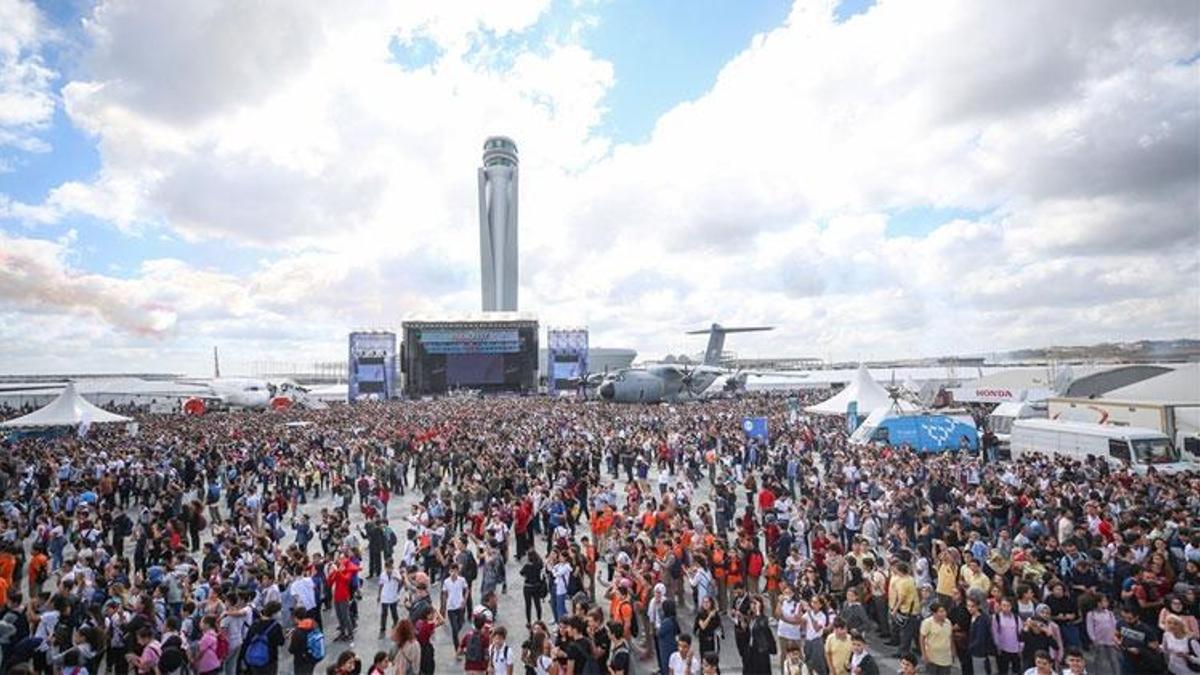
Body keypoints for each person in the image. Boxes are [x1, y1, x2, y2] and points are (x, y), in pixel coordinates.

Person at [239, 600, 285, 675]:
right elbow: (281, 642)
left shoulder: (255, 624)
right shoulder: (276, 626)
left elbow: (247, 641)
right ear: (274, 613)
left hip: (253, 658)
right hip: (270, 658)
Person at [919, 602, 953, 675]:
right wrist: (924, 654)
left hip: (945, 657)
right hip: (932, 657)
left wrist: (953, 652)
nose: (944, 613)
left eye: (944, 611)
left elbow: (950, 638)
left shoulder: (948, 622)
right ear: (934, 613)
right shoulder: (927, 623)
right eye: (941, 611)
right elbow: (922, 639)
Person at [655, 600, 681, 675]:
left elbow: (659, 633)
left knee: (666, 666)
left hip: (666, 647)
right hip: (672, 645)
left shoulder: (666, 622)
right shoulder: (673, 619)